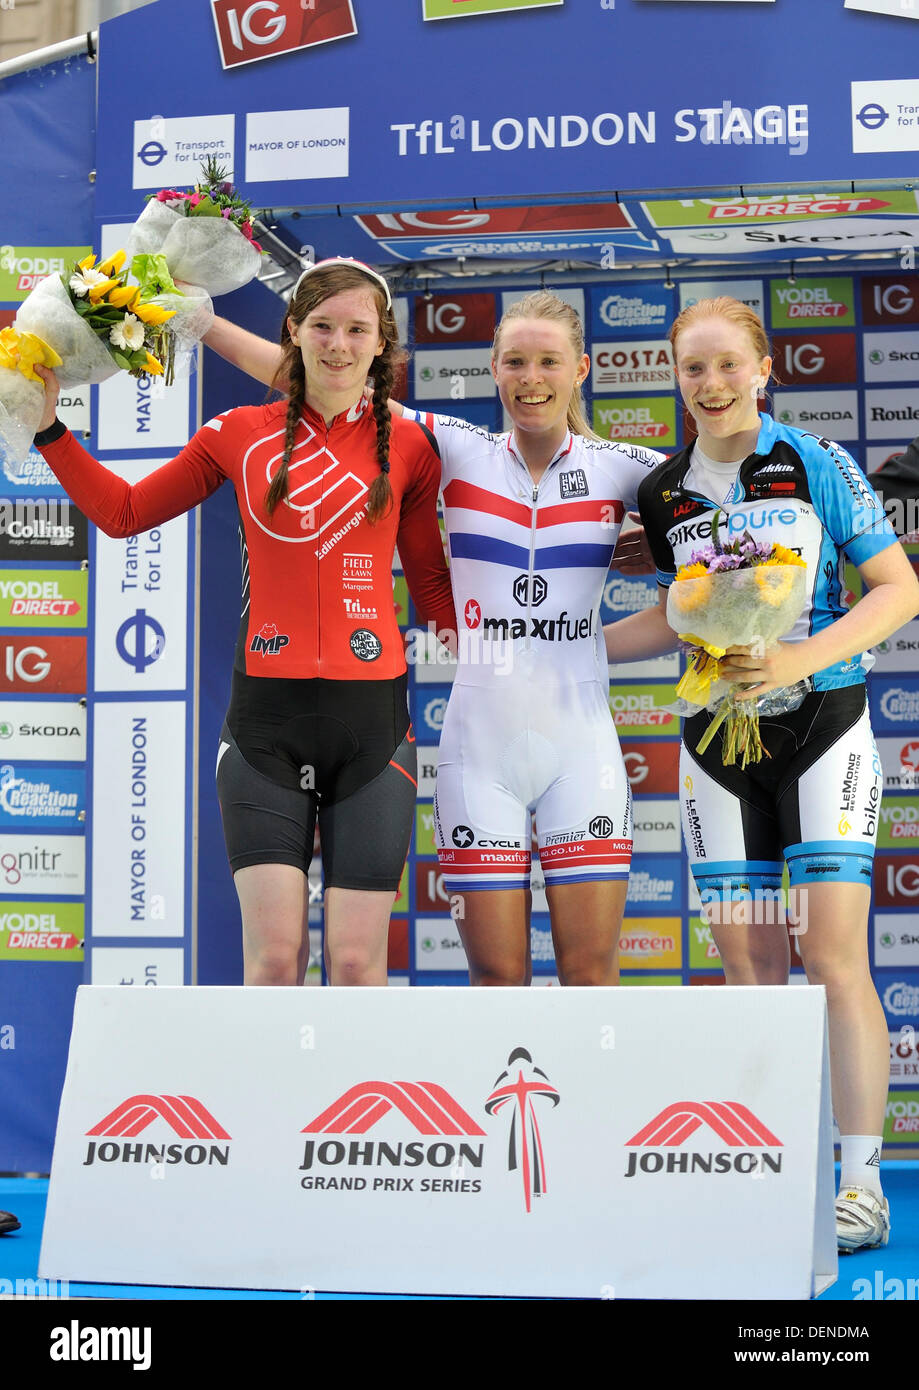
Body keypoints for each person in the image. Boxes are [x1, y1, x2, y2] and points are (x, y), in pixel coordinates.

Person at [208, 289, 663, 986]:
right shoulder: (453, 447)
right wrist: (203, 323)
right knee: (496, 980)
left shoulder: (629, 469)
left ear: (582, 369)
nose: (530, 378)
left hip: (584, 751)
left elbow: (725, 544)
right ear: (492, 366)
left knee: (590, 977)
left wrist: (632, 604)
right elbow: (325, 372)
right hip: (478, 752)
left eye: (548, 361)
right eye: (514, 361)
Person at [33, 258, 456, 987]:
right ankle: (274, 1106)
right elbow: (125, 514)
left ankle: (357, 1103)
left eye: (357, 330)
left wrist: (518, 650)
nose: (338, 345)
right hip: (265, 724)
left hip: (375, 725)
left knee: (356, 963)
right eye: (321, 326)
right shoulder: (236, 432)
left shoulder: (411, 443)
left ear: (381, 342)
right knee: (273, 960)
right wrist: (49, 431)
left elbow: (430, 585)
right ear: (292, 330)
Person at [604, 295, 919, 1253]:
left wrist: (794, 659)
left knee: (830, 959)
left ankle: (858, 1185)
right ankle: (775, 1172)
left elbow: (897, 588)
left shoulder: (814, 462)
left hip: (823, 729)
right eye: (691, 369)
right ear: (674, 378)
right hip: (714, 747)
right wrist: (569, 651)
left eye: (725, 366)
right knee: (748, 967)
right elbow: (677, 614)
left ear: (762, 368)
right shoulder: (662, 494)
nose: (709, 385)